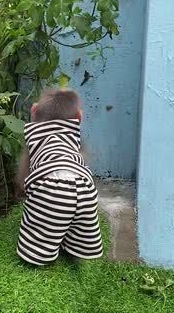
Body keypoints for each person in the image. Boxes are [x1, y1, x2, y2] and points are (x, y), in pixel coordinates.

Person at [16, 88, 103, 265]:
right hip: (85, 188)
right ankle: (76, 245)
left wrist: (30, 192)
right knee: (78, 224)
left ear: (34, 111)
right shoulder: (74, 138)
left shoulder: (35, 138)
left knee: (39, 238)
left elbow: (25, 176)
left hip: (50, 186)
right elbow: (83, 163)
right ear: (79, 116)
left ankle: (39, 253)